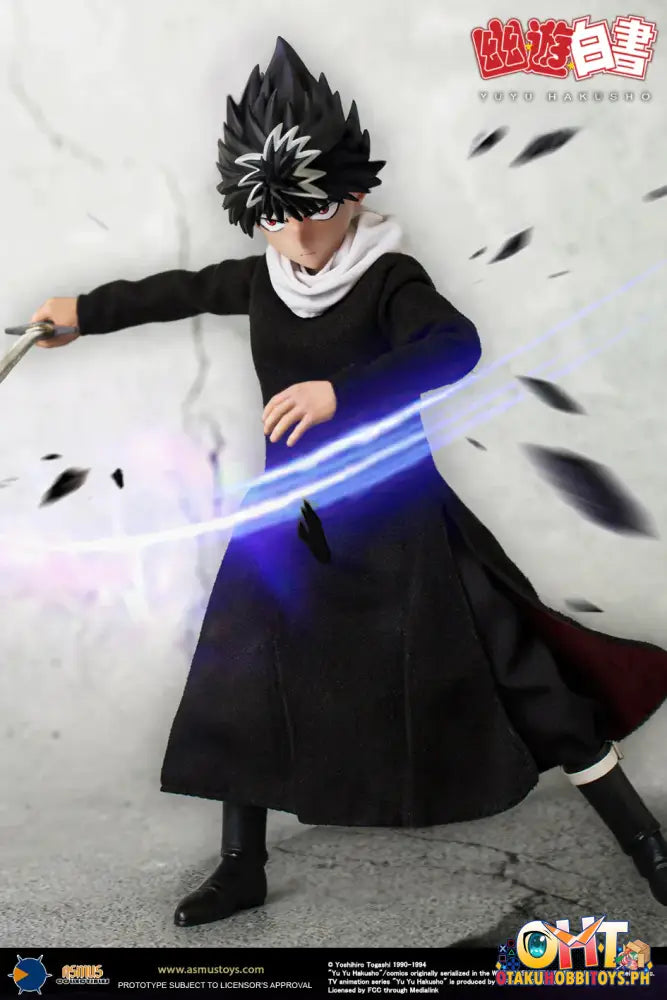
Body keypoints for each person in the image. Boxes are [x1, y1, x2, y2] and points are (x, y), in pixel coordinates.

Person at [31, 37, 667, 928]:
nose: (296, 235)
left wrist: (342, 391)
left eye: (313, 209)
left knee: (522, 674)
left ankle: (646, 846)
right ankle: (241, 864)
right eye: (273, 216)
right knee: (243, 683)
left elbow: (454, 346)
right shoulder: (266, 278)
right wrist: (82, 313)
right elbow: (178, 290)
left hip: (402, 526)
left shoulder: (388, 279)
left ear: (354, 192)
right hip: (288, 526)